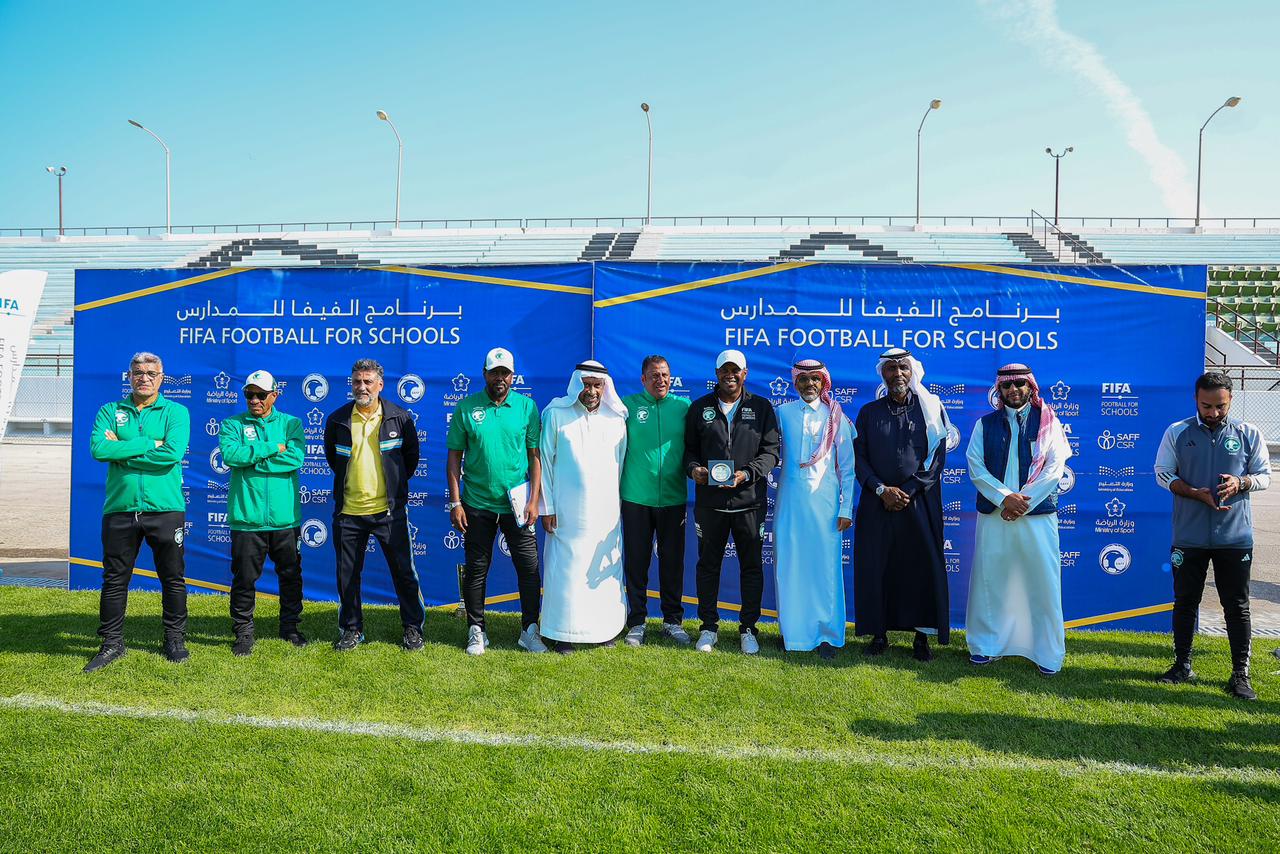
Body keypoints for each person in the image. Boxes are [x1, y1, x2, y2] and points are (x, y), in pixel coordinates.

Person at [1154, 371, 1270, 700]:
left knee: (1237, 606)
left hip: (1234, 538)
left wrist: (1241, 483)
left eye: (1220, 406)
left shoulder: (1249, 433)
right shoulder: (1177, 432)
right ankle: (1182, 665)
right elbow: (1162, 473)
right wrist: (1192, 491)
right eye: (1207, 406)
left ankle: (1240, 675)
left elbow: (1264, 475)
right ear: (1196, 400)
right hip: (1189, 536)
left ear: (1230, 399)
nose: (1214, 412)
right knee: (1185, 602)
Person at [84, 351, 192, 672]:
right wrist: (149, 444)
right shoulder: (109, 410)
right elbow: (99, 449)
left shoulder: (177, 412)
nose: (144, 377)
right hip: (120, 509)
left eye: (150, 373)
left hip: (165, 509)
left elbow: (171, 454)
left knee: (172, 578)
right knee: (114, 580)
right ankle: (111, 644)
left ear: (161, 377)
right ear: (128, 376)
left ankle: (174, 639)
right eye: (137, 372)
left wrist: (124, 448)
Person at [965, 363, 1071, 675]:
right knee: (991, 580)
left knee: (1042, 583)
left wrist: (1021, 503)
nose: (1014, 390)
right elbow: (975, 467)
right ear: (999, 390)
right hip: (996, 515)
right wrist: (1003, 498)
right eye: (1007, 386)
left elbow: (1054, 469)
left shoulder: (1049, 423)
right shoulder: (985, 425)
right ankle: (986, 645)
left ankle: (1046, 652)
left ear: (1030, 388)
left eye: (1020, 385)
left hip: (1036, 517)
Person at [446, 347, 548, 655]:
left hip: (517, 504)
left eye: (505, 373)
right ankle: (477, 630)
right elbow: (454, 459)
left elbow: (535, 458)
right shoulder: (466, 407)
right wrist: (456, 502)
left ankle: (530, 630)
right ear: (485, 374)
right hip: (477, 502)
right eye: (494, 372)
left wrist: (534, 501)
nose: (500, 378)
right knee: (477, 568)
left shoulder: (527, 407)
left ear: (512, 376)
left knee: (529, 569)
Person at [852, 347, 951, 660]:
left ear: (913, 372)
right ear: (882, 373)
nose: (897, 374)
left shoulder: (931, 410)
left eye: (903, 368)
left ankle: (921, 639)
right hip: (877, 502)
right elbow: (858, 458)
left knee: (920, 568)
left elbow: (936, 460)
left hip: (919, 502)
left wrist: (906, 490)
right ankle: (879, 635)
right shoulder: (868, 412)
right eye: (891, 369)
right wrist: (882, 490)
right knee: (878, 565)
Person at [323, 358, 426, 652]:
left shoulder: (399, 418)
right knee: (348, 576)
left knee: (404, 573)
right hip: (349, 512)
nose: (362, 387)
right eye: (357, 381)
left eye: (368, 381)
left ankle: (412, 628)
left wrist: (392, 490)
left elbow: (410, 460)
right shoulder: (337, 420)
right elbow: (334, 459)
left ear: (380, 385)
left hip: (388, 513)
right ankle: (352, 629)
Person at [683, 349, 780, 655]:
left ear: (744, 374)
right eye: (724, 370)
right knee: (707, 566)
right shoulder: (700, 408)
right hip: (710, 505)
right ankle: (709, 627)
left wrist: (746, 474)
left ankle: (748, 628)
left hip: (749, 503)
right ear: (716, 374)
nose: (730, 375)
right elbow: (688, 451)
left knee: (751, 567)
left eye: (735, 370)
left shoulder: (761, 407)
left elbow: (770, 452)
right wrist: (694, 470)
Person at [538, 361, 629, 653]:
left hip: (605, 513)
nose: (591, 390)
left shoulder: (616, 419)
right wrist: (547, 506)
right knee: (567, 570)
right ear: (577, 383)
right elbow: (545, 463)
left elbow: (621, 464)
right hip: (566, 512)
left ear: (605, 387)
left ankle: (604, 631)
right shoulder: (556, 414)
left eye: (597, 385)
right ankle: (562, 633)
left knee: (602, 572)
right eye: (586, 384)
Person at [219, 369, 307, 656]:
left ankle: (290, 628)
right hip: (247, 520)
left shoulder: (292, 424)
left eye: (260, 394)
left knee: (290, 576)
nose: (254, 400)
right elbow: (232, 457)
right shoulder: (232, 424)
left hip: (284, 519)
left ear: (274, 395)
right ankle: (244, 633)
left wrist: (253, 457)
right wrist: (271, 447)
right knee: (244, 579)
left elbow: (295, 459)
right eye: (249, 394)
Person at [774, 358, 857, 660]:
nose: (809, 385)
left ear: (824, 383)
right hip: (791, 503)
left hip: (825, 505)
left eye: (815, 380)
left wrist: (846, 507)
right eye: (803, 379)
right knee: (791, 565)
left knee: (824, 569)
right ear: (794, 383)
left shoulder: (837, 417)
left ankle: (827, 635)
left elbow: (847, 468)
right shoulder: (782, 414)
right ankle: (793, 634)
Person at [619, 355, 692, 647]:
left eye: (664, 375)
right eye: (654, 375)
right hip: (636, 498)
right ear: (643, 379)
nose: (660, 380)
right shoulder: (626, 407)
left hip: (674, 499)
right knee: (637, 562)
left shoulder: (684, 408)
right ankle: (637, 621)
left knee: (672, 563)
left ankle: (672, 621)